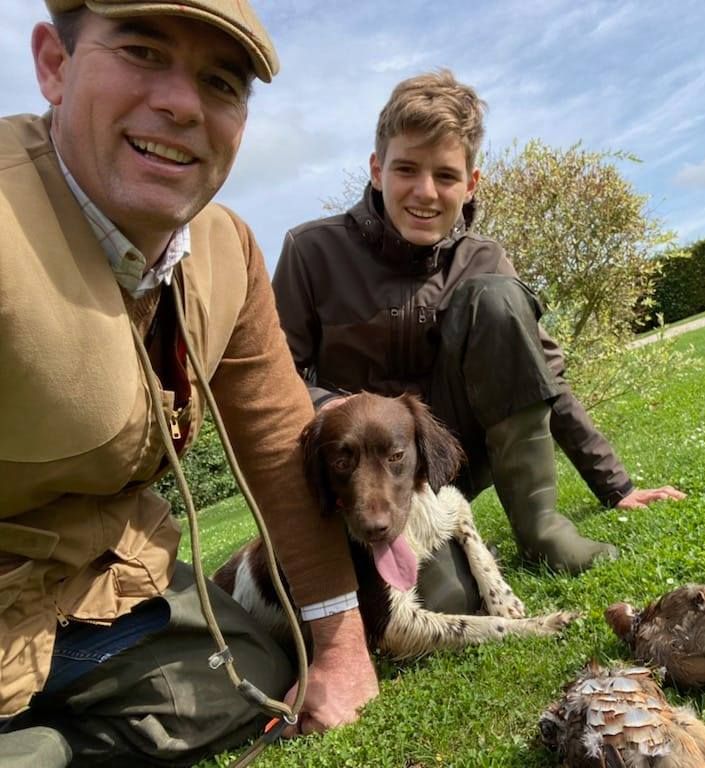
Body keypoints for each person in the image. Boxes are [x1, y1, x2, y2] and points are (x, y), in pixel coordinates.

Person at [0, 2, 378, 765]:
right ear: (54, 65)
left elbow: (277, 447)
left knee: (258, 677)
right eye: (141, 52)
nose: (181, 104)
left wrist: (339, 647)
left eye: (221, 82)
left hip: (106, 594)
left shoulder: (226, 249)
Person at [273, 70, 685, 608]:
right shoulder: (310, 252)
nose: (425, 192)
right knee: (448, 601)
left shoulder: (484, 258)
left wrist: (617, 487)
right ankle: (427, 551)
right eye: (406, 170)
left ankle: (541, 530)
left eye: (445, 175)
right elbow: (273, 378)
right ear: (376, 171)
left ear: (471, 183)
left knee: (498, 296)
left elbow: (544, 378)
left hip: (452, 462)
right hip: (368, 480)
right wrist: (339, 408)